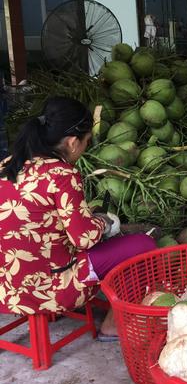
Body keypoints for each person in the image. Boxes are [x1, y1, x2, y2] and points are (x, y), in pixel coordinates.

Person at [0, 97, 156, 341]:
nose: (85, 147)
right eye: (86, 142)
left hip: (6, 286)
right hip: (52, 290)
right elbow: (84, 239)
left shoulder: (6, 165)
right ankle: (112, 326)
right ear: (73, 142)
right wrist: (103, 222)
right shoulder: (63, 175)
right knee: (142, 246)